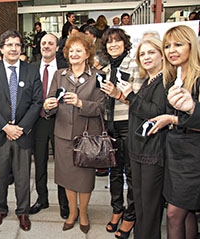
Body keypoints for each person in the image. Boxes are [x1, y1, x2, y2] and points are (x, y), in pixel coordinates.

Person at [43, 32, 106, 234]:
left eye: (79, 50)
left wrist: (80, 103)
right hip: (62, 136)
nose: (74, 54)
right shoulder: (59, 75)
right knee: (68, 178)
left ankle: (84, 213)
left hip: (86, 137)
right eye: (71, 50)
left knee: (85, 180)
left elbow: (101, 108)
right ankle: (72, 212)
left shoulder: (97, 77)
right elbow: (50, 105)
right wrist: (48, 105)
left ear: (87, 53)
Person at [0, 30, 42, 231]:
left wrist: (21, 128)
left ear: (21, 49)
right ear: (1, 48)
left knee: (23, 177)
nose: (14, 48)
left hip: (23, 135)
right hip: (0, 134)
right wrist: (6, 126)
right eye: (9, 44)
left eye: (17, 45)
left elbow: (36, 102)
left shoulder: (32, 70)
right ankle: (0, 209)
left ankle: (22, 212)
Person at [147, 25, 200, 239]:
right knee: (185, 213)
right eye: (167, 46)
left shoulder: (197, 79)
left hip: (193, 158)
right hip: (174, 154)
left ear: (191, 46)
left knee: (173, 214)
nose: (172, 50)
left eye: (178, 44)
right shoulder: (172, 77)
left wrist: (177, 117)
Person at [117, 37, 166, 239]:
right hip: (138, 151)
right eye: (142, 54)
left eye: (151, 52)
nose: (146, 57)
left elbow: (155, 112)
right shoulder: (149, 80)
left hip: (152, 153)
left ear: (162, 55)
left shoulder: (165, 81)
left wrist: (130, 96)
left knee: (150, 207)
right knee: (140, 203)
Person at [100, 28, 143, 239]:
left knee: (131, 174)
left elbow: (140, 102)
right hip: (111, 126)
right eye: (109, 42)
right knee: (114, 172)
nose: (113, 45)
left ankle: (130, 215)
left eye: (117, 41)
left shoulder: (135, 65)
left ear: (125, 43)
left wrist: (119, 95)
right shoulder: (107, 69)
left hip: (129, 124)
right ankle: (117, 209)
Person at [30, 33, 69, 219]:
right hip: (38, 122)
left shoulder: (64, 68)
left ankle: (64, 203)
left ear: (57, 47)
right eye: (43, 43)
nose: (46, 46)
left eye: (50, 43)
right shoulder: (30, 68)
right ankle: (42, 199)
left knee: (62, 164)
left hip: (59, 120)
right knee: (39, 163)